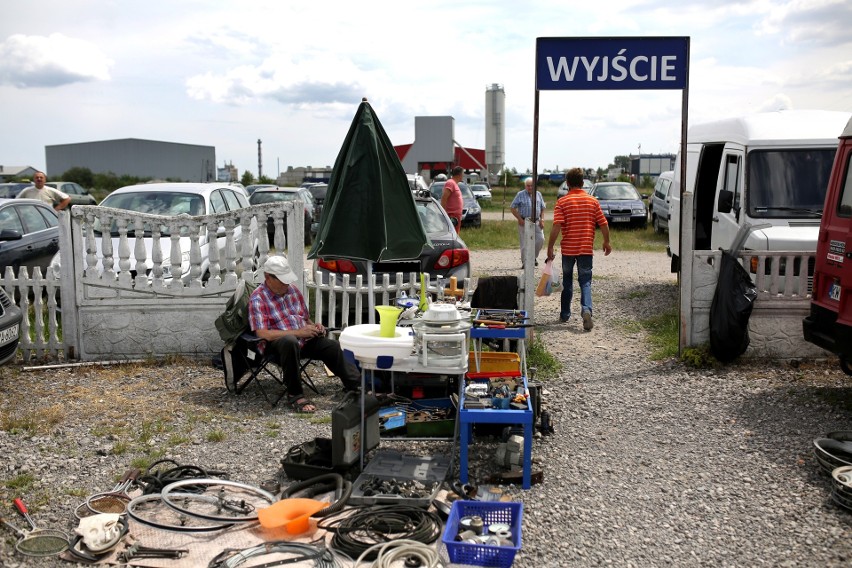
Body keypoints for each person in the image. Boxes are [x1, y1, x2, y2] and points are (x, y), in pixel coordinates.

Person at [248, 255, 360, 412]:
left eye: (287, 279)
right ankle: (295, 395)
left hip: (301, 340)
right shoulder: (258, 298)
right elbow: (263, 333)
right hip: (275, 345)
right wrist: (298, 332)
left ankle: (358, 387)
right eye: (282, 280)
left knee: (331, 346)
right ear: (268, 277)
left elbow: (304, 319)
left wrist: (315, 327)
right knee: (289, 340)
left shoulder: (292, 290)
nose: (286, 283)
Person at [546, 167, 612, 331]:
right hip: (585, 250)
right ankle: (586, 310)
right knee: (585, 282)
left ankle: (565, 314)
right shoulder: (592, 201)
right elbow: (603, 223)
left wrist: (550, 246)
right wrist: (606, 242)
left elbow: (557, 226)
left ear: (567, 183)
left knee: (567, 281)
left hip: (568, 249)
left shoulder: (562, 202)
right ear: (583, 183)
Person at [510, 177, 546, 267]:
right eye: (528, 186)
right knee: (524, 243)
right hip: (524, 221)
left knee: (540, 239)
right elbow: (512, 208)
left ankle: (532, 257)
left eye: (531, 186)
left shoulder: (538, 194)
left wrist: (542, 219)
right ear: (525, 186)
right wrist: (519, 219)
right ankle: (525, 262)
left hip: (537, 221)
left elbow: (542, 208)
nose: (530, 187)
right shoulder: (520, 194)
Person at [441, 166, 464, 233]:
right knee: (452, 234)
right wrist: (444, 213)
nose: (463, 176)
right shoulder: (450, 183)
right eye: (463, 174)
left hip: (456, 215)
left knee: (456, 233)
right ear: (459, 174)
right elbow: (444, 198)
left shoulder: (455, 184)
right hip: (452, 215)